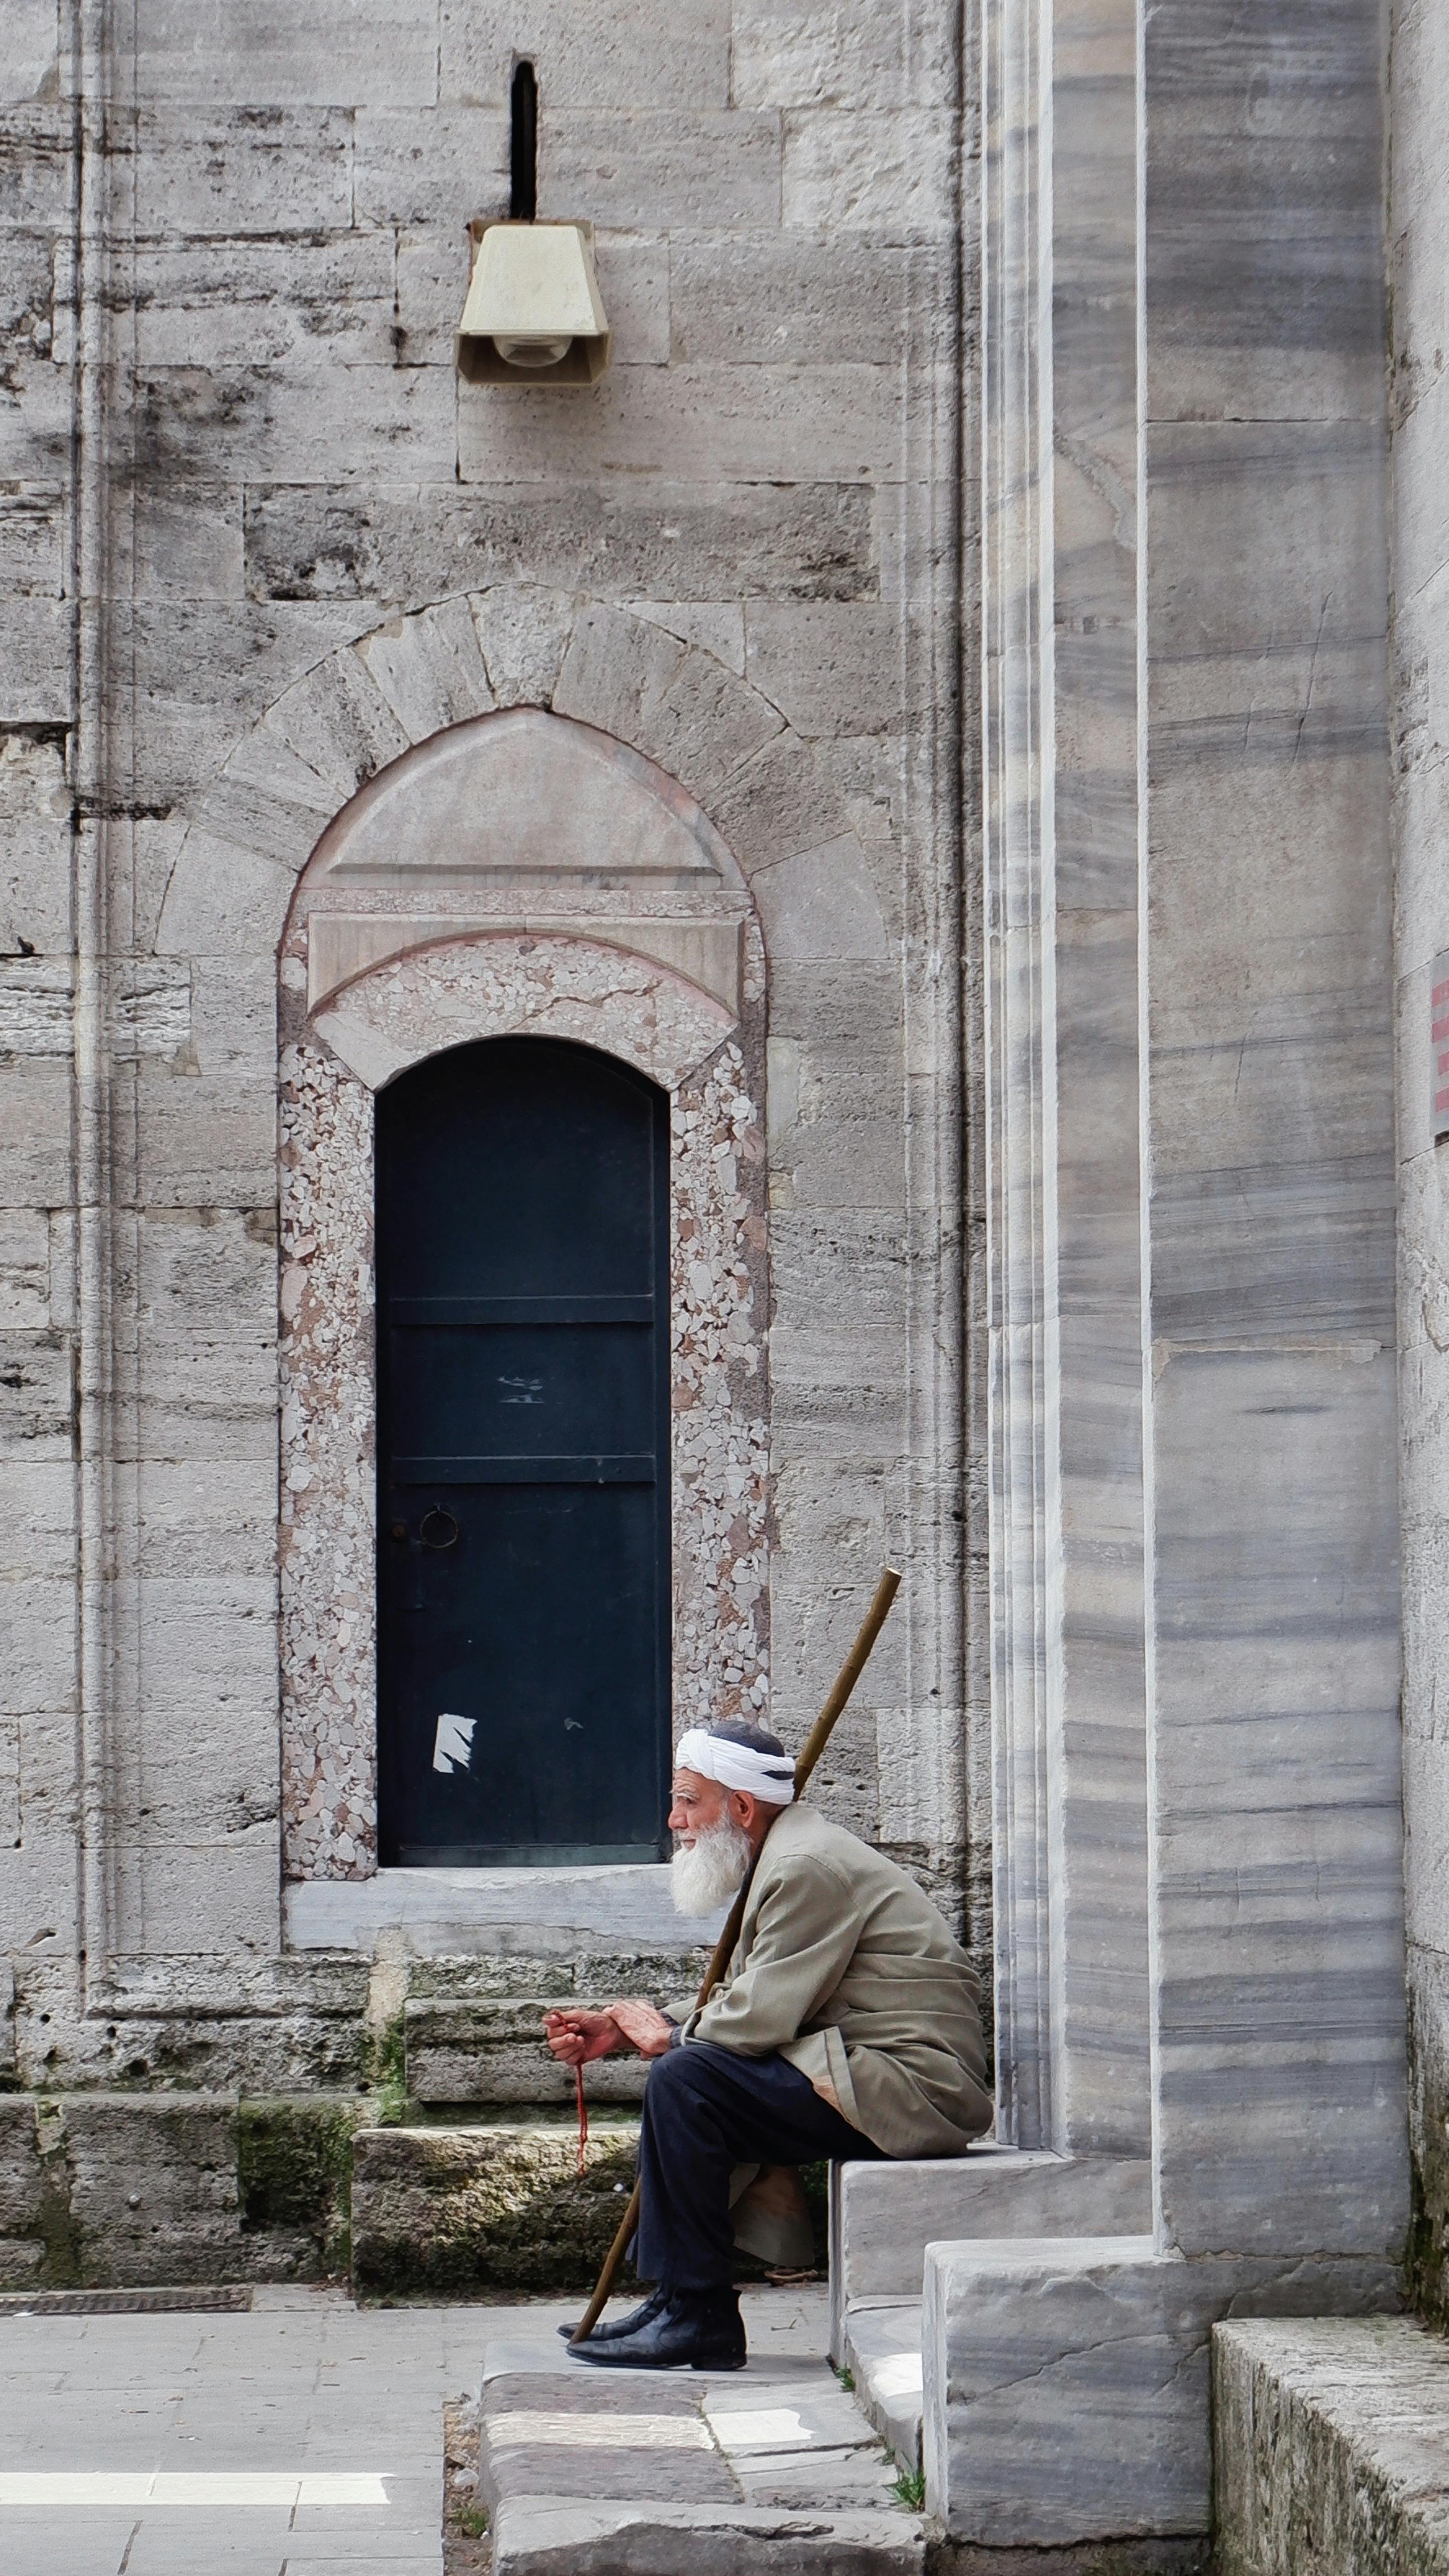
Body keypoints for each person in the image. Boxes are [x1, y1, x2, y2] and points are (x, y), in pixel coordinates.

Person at [544, 1716, 993, 2370]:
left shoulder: (804, 1865)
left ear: (743, 1806)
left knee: (687, 2081)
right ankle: (675, 2302)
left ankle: (696, 2314)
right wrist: (619, 2030)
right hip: (856, 2069)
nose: (674, 1821)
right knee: (690, 2078)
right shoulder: (780, 1855)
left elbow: (758, 2018)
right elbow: (744, 1992)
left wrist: (669, 2036)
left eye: (687, 1801)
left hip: (911, 2088)